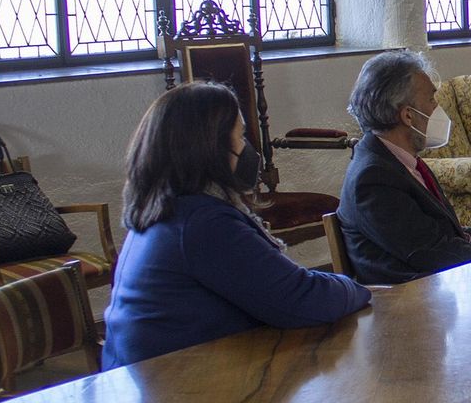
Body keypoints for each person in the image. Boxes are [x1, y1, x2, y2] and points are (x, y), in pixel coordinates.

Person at [104, 82, 370, 369]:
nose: (248, 149)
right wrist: (356, 287)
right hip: (172, 387)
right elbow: (301, 299)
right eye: (241, 135)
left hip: (154, 375)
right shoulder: (204, 223)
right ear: (210, 148)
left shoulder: (166, 208)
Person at [338, 51, 471, 284]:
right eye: (431, 99)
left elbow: (450, 234)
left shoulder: (402, 161)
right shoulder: (373, 178)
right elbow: (432, 252)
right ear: (408, 116)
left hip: (439, 286)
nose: (437, 107)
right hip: (412, 302)